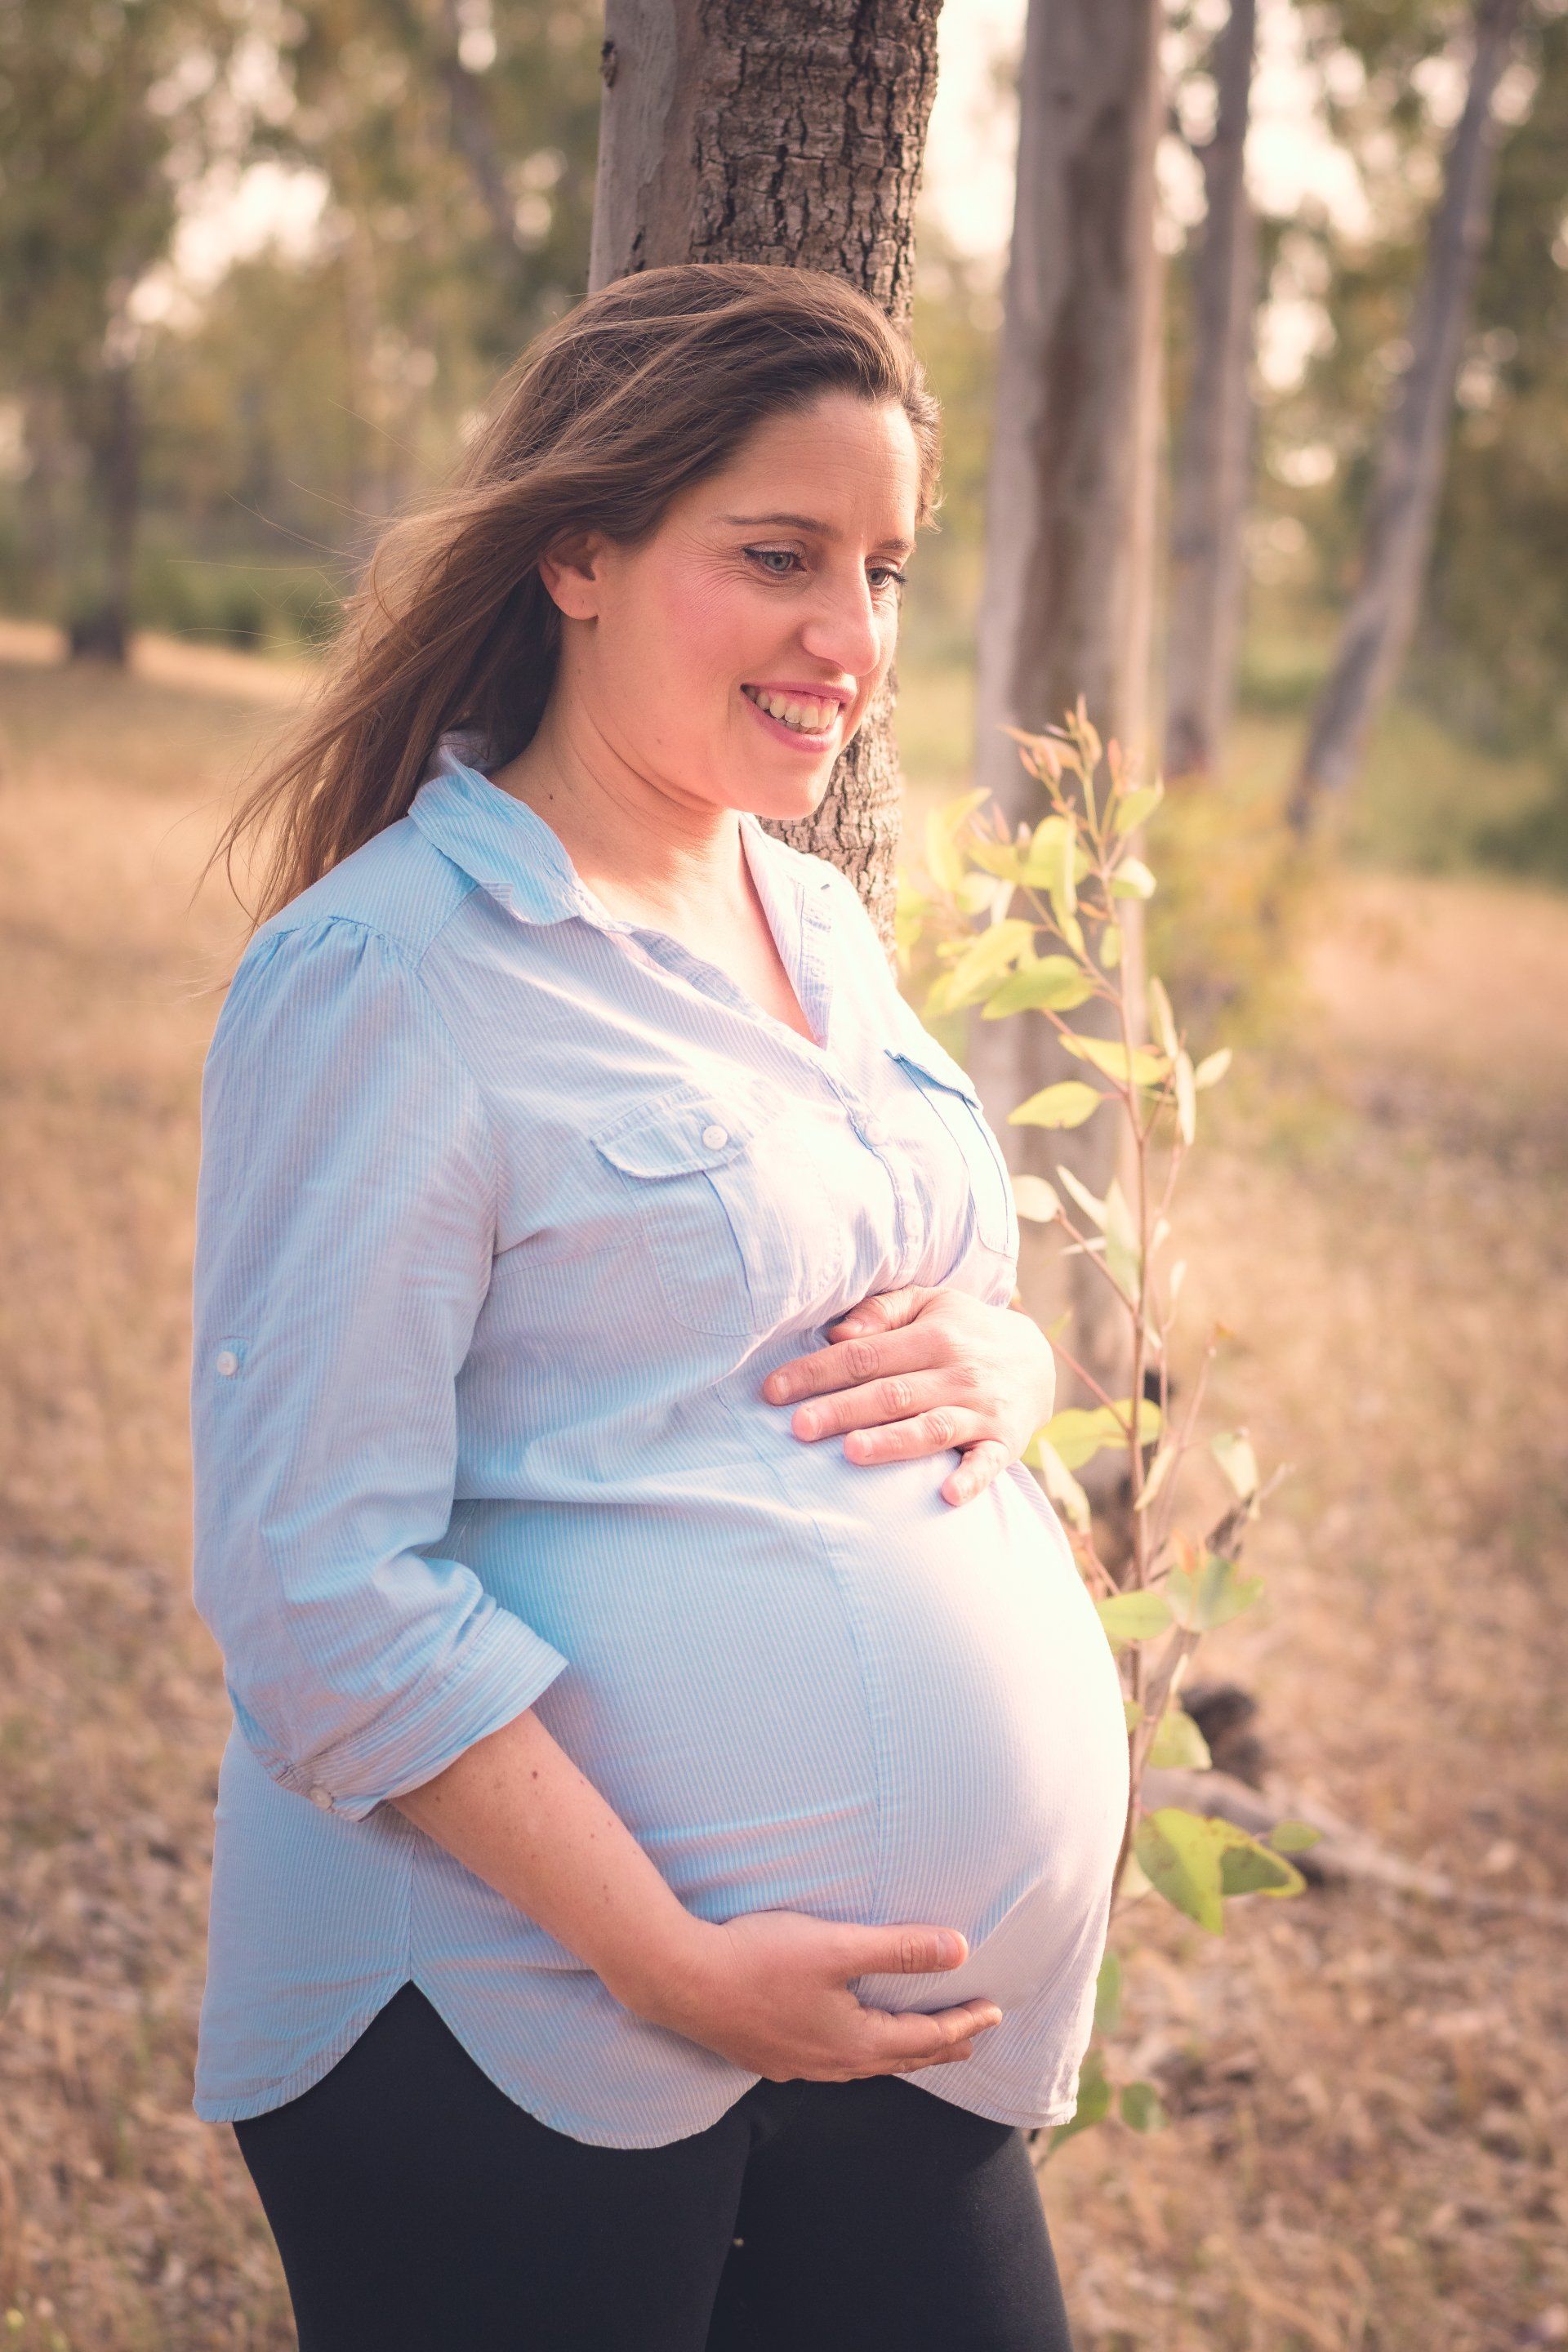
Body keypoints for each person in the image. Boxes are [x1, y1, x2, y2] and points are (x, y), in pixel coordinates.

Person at [190, 262, 1129, 2352]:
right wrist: (665, 1956)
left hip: (883, 2043)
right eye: (778, 559)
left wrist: (1021, 1357)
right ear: (580, 550)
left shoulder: (806, 912)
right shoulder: (393, 976)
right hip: (512, 2016)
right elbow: (310, 1578)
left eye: (882, 570)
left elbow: (889, 1283)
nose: (852, 643)